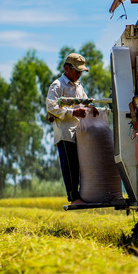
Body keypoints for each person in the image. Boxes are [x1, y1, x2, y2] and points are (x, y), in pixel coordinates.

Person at [46, 53, 97, 205]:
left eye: (81, 72)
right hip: (65, 133)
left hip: (79, 132)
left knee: (81, 165)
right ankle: (73, 198)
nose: (79, 74)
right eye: (77, 71)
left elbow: (85, 101)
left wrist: (91, 107)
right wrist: (72, 112)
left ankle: (83, 195)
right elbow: (51, 107)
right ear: (67, 68)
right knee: (70, 166)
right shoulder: (58, 85)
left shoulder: (78, 86)